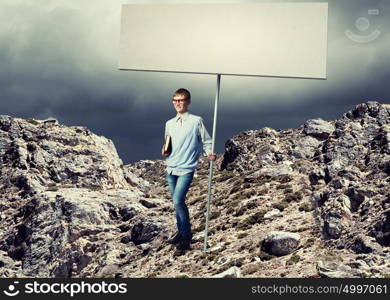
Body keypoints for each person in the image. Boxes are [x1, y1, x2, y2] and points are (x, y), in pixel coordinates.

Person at [162, 88, 217, 251]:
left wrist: (209, 153)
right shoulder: (169, 123)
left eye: (181, 100)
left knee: (178, 200)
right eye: (175, 100)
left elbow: (206, 140)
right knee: (175, 203)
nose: (177, 103)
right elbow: (167, 141)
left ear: (188, 102)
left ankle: (186, 236)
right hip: (170, 167)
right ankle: (180, 231)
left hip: (186, 168)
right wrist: (165, 150)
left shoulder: (196, 121)